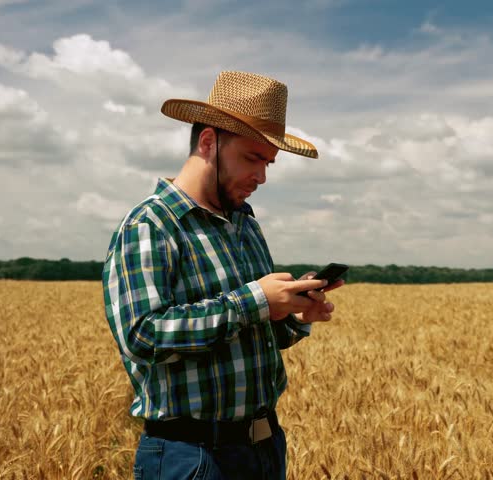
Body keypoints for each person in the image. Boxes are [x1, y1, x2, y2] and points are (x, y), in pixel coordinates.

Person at [102, 71, 344, 480]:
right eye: (253, 158)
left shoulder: (245, 225)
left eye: (268, 163)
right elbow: (142, 335)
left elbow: (252, 331)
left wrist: (291, 311)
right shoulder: (152, 225)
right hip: (191, 456)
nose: (262, 177)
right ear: (209, 141)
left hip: (264, 448)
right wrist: (256, 301)